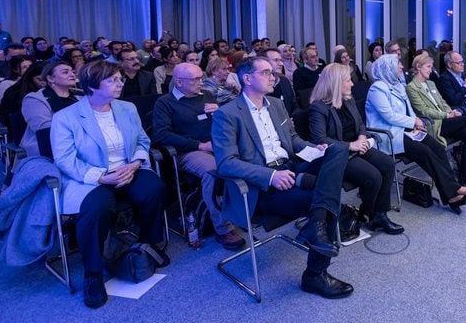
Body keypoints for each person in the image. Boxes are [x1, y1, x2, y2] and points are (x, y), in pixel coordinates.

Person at [211, 56, 353, 299]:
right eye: (265, 73)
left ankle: (314, 226)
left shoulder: (276, 104)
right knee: (326, 199)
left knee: (337, 150)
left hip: (291, 166)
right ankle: (314, 275)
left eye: (272, 72)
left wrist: (314, 149)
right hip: (263, 186)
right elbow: (226, 163)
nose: (273, 77)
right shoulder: (227, 114)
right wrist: (271, 176)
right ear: (247, 78)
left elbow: (293, 140)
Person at [51, 60, 168, 308]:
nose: (120, 83)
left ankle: (148, 245)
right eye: (113, 80)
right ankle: (92, 273)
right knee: (95, 210)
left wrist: (135, 164)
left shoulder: (127, 108)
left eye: (119, 78)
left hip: (127, 168)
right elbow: (65, 159)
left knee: (155, 189)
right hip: (90, 178)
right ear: (93, 85)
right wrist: (102, 177)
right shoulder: (66, 117)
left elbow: (142, 141)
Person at [365, 54, 466, 214]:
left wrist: (416, 121)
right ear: (388, 68)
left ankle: (451, 195)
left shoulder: (398, 85)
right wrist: (413, 122)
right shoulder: (377, 88)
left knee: (438, 147)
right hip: (389, 135)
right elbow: (389, 116)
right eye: (398, 64)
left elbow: (409, 110)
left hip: (406, 130)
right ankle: (454, 191)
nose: (401, 67)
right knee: (424, 151)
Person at [152, 63, 246, 250]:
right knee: (215, 172)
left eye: (201, 77)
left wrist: (219, 111)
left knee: (249, 157)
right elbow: (160, 134)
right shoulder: (165, 103)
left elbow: (222, 123)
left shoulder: (207, 95)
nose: (201, 82)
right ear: (179, 82)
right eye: (195, 79)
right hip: (188, 151)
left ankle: (243, 213)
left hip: (216, 145)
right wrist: (199, 145)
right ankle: (223, 228)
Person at [309, 63, 403, 234]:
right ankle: (368, 214)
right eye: (348, 80)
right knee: (373, 176)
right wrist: (351, 145)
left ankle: (380, 214)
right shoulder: (318, 107)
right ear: (336, 83)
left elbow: (360, 123)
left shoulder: (348, 99)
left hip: (357, 146)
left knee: (388, 164)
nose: (352, 84)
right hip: (338, 155)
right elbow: (319, 139)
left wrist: (361, 136)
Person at [20, 62, 80, 157]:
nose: (72, 74)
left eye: (72, 71)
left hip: (81, 143)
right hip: (48, 147)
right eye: (65, 72)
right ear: (50, 78)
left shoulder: (80, 95)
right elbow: (44, 129)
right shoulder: (34, 99)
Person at [258, 48, 297, 116]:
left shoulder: (284, 80)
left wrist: (294, 119)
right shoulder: (258, 85)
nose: (281, 64)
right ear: (264, 62)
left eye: (281, 60)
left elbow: (294, 105)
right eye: (276, 60)